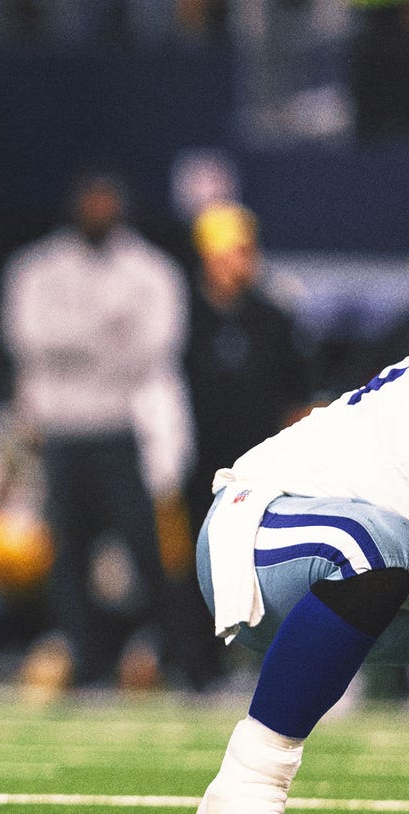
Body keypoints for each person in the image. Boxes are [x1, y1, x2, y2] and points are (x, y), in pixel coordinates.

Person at [0, 170, 190, 689]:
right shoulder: (38, 268)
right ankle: (88, 667)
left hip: (120, 426)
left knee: (147, 552)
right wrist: (106, 332)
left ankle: (178, 661)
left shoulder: (150, 269)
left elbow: (155, 349)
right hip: (60, 432)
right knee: (68, 558)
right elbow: (27, 338)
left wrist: (72, 345)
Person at [195, 355, 409, 812]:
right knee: (371, 550)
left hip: (375, 576)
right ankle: (248, 785)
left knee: (383, 550)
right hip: (256, 529)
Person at [177, 201, 313, 689]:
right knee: (198, 566)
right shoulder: (182, 316)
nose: (242, 262)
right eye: (232, 252)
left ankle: (270, 669)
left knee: (269, 568)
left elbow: (298, 396)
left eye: (246, 251)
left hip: (262, 468)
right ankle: (199, 671)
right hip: (198, 465)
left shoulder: (273, 317)